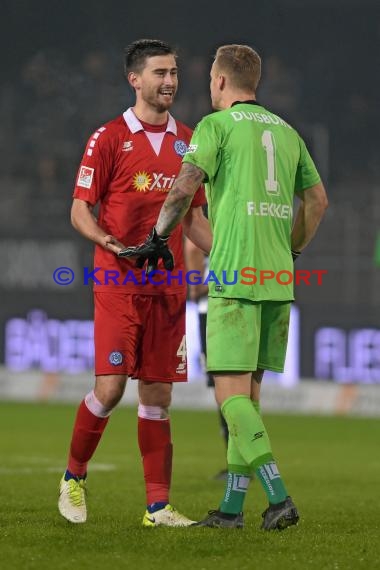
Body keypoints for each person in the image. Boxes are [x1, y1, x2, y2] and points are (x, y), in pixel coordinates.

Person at [119, 43, 328, 530]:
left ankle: (278, 496)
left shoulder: (215, 128)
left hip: (235, 274)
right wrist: (291, 251)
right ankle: (232, 510)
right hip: (277, 278)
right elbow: (317, 201)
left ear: (219, 81)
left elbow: (182, 187)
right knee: (248, 401)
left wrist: (155, 237)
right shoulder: (289, 132)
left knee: (228, 398)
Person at [58, 39, 212, 527]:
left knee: (158, 397)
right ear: (135, 80)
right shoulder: (107, 138)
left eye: (174, 72)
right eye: (160, 73)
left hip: (167, 289)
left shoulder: (190, 142)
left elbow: (195, 220)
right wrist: (111, 243)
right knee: (110, 389)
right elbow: (80, 209)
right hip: (118, 281)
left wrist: (232, 253)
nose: (170, 81)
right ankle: (74, 478)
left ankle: (157, 507)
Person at [184, 234, 229, 481]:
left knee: (223, 388)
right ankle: (245, 459)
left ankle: (236, 462)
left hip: (211, 309)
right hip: (244, 301)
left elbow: (192, 246)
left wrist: (196, 285)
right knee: (245, 384)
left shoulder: (206, 216)